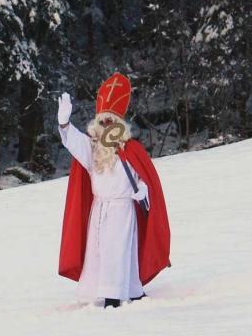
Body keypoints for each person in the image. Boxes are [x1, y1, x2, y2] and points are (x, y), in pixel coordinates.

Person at [57, 73, 170, 307]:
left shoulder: (132, 150)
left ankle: (121, 292)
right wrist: (64, 124)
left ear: (119, 126)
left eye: (111, 122)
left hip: (122, 209)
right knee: (100, 251)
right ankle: (111, 290)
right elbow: (74, 142)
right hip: (99, 209)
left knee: (118, 251)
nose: (106, 127)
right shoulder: (93, 149)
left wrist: (142, 191)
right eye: (102, 122)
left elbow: (143, 179)